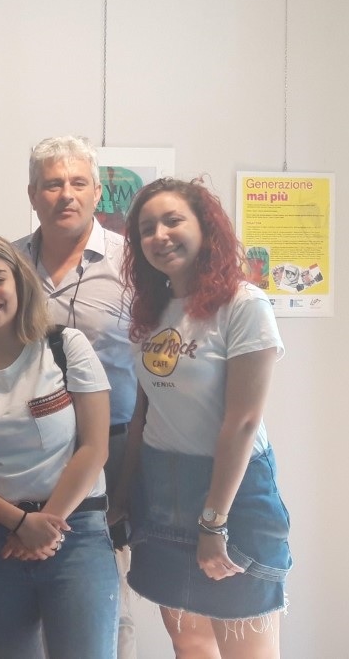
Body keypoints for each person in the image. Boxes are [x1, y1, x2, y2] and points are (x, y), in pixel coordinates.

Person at [115, 178, 291, 658]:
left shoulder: (244, 304)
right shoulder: (151, 311)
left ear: (205, 227)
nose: (160, 235)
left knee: (246, 650)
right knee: (190, 643)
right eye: (147, 228)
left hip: (231, 495)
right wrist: (124, 494)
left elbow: (243, 422)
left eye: (173, 220)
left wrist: (215, 523)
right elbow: (143, 411)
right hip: (161, 489)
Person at [0, 232, 118, 658]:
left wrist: (44, 526)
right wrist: (19, 523)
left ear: (19, 282)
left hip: (75, 532)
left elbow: (94, 448)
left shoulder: (65, 346)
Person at [13, 135, 139, 658]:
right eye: (52, 184)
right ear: (32, 194)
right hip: (28, 451)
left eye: (78, 182)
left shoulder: (133, 263)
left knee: (108, 600)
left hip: (115, 446)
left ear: (96, 193)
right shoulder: (9, 263)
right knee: (31, 594)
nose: (66, 193)